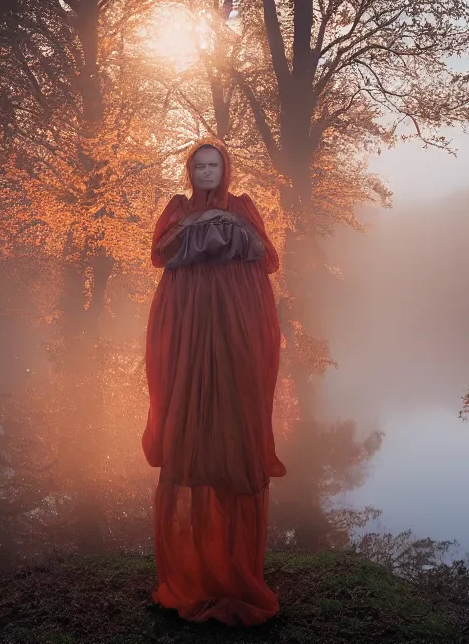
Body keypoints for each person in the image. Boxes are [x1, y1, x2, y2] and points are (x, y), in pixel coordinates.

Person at [142, 138, 286, 626]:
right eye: (199, 165)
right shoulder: (176, 210)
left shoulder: (244, 208)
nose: (206, 171)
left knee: (234, 433)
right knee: (189, 434)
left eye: (214, 165)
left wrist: (222, 224)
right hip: (186, 330)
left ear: (225, 170)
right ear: (190, 170)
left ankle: (234, 570)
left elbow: (266, 259)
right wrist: (199, 225)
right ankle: (190, 572)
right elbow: (161, 255)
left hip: (236, 331)